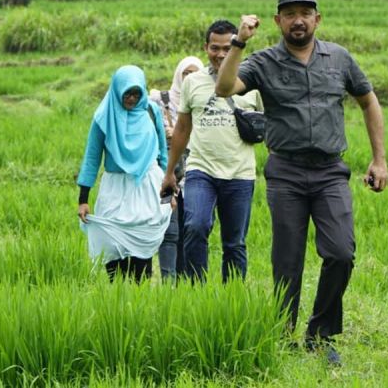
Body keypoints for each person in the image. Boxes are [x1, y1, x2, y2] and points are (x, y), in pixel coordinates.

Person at [214, 0, 388, 366]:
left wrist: (379, 159)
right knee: (287, 260)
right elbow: (225, 87)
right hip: (286, 172)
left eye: (305, 13)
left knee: (341, 252)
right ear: (278, 20)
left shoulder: (339, 58)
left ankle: (320, 335)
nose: (298, 20)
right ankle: (282, 331)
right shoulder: (263, 61)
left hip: (329, 172)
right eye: (289, 13)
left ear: (317, 19)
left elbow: (368, 100)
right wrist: (239, 43)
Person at [161, 20, 263, 283]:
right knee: (195, 227)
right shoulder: (193, 82)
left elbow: (268, 124)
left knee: (235, 243)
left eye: (227, 48)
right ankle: (197, 292)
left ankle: (231, 298)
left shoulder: (251, 81)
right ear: (206, 48)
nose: (220, 54)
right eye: (214, 48)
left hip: (240, 173)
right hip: (200, 171)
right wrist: (170, 171)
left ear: (237, 47)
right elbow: (182, 129)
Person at [77, 65, 172, 283]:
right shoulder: (104, 116)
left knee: (143, 245)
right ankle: (117, 298)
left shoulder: (150, 110)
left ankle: (139, 300)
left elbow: (161, 153)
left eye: (137, 93)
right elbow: (92, 159)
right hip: (115, 188)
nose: (131, 99)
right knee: (112, 244)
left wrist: (168, 193)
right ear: (117, 90)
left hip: (147, 184)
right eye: (127, 93)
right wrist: (83, 200)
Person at [149, 56, 204, 281]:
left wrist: (184, 136)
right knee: (168, 227)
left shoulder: (204, 100)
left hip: (195, 172)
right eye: (185, 73)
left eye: (194, 73)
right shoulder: (160, 101)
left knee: (190, 227)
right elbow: (148, 133)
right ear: (178, 75)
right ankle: (168, 280)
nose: (189, 78)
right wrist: (166, 134)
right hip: (168, 171)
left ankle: (185, 279)